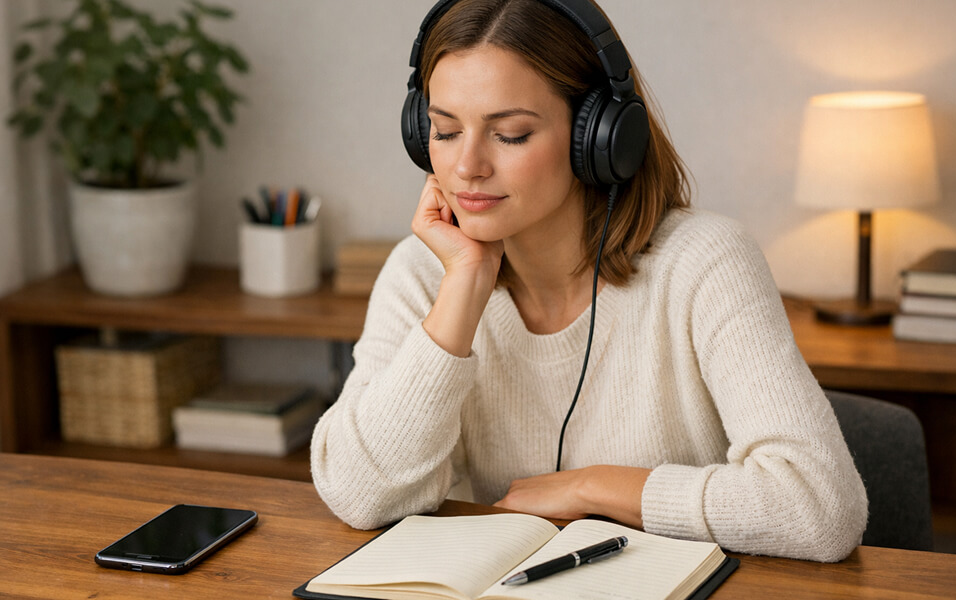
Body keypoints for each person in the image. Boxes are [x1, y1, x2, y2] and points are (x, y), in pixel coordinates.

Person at [311, 0, 867, 562]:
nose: (467, 166)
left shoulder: (705, 262)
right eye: (446, 130)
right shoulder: (422, 271)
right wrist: (464, 287)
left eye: (510, 134)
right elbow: (359, 495)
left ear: (598, 137)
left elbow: (821, 508)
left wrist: (591, 487)